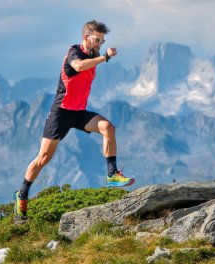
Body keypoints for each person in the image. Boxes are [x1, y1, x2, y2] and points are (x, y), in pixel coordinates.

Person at [13, 20, 134, 220]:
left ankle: (112, 174)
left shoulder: (94, 55)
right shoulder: (74, 52)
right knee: (43, 158)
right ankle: (22, 194)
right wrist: (105, 57)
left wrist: (101, 56)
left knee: (108, 127)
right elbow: (78, 66)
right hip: (61, 113)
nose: (100, 44)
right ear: (86, 37)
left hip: (78, 112)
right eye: (97, 40)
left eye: (103, 41)